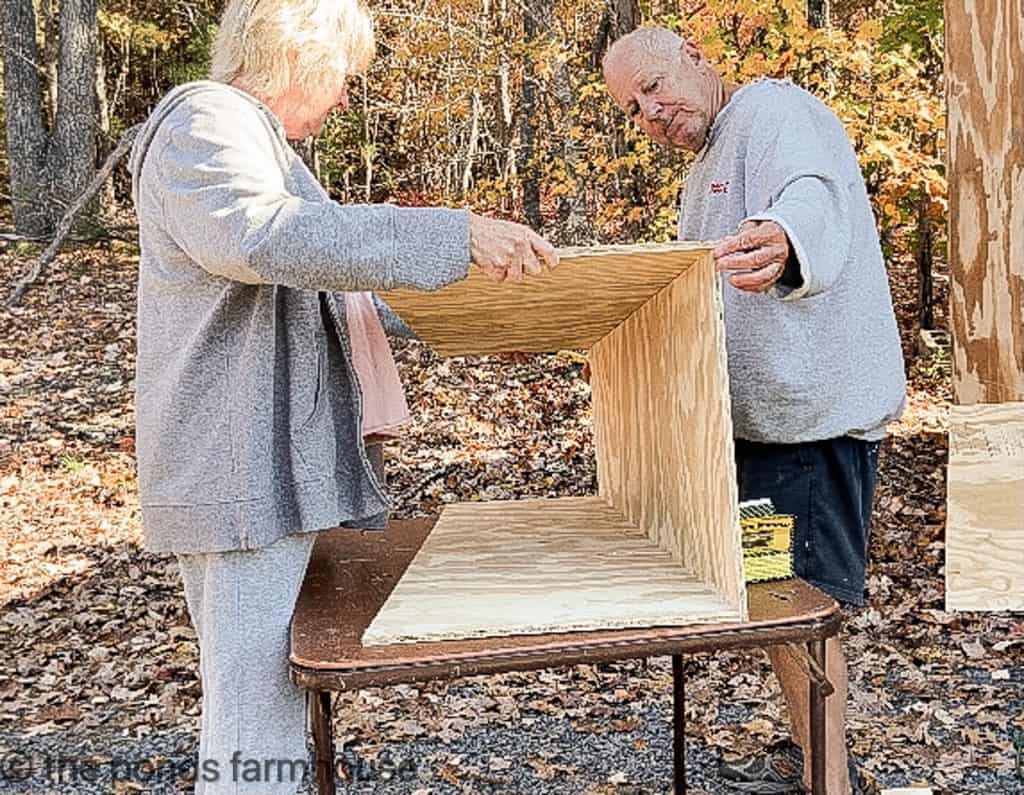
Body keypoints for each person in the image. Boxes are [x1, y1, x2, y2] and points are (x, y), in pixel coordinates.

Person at [128, 0, 557, 792]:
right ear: (304, 58)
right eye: (346, 79)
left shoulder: (259, 143)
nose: (346, 100)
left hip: (264, 470)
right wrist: (454, 234)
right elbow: (264, 238)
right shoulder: (204, 122)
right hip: (237, 471)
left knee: (271, 712)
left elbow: (334, 284)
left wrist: (478, 318)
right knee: (254, 726)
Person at [602, 26, 906, 795]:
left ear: (697, 58)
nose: (649, 112)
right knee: (775, 602)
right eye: (632, 107)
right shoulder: (704, 162)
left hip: (809, 427)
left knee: (802, 610)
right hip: (759, 427)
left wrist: (786, 237)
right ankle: (815, 755)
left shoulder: (773, 113)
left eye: (653, 85)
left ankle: (831, 781)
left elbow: (812, 195)